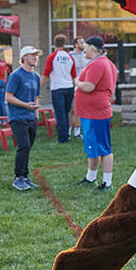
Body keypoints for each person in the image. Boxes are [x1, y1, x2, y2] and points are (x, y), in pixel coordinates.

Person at [74, 36, 118, 191]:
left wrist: (77, 82)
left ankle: (107, 182)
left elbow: (88, 86)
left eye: (85, 46)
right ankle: (90, 177)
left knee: (103, 147)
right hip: (92, 112)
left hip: (96, 113)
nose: (84, 49)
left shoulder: (98, 63)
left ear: (93, 48)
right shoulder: (107, 63)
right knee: (93, 146)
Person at [7, 46, 44, 191]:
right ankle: (18, 178)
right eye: (32, 55)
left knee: (28, 148)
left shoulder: (36, 76)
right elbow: (8, 97)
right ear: (24, 58)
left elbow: (35, 97)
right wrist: (25, 106)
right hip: (17, 117)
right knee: (23, 147)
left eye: (36, 55)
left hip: (31, 118)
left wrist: (35, 114)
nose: (35, 58)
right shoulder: (16, 76)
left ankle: (25, 176)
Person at [43, 34, 78, 142]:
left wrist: (38, 89)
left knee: (60, 113)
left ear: (54, 44)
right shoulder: (69, 57)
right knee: (66, 112)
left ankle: (63, 138)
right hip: (69, 87)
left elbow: (45, 75)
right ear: (64, 44)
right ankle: (66, 134)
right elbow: (73, 76)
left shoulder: (52, 57)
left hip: (57, 88)